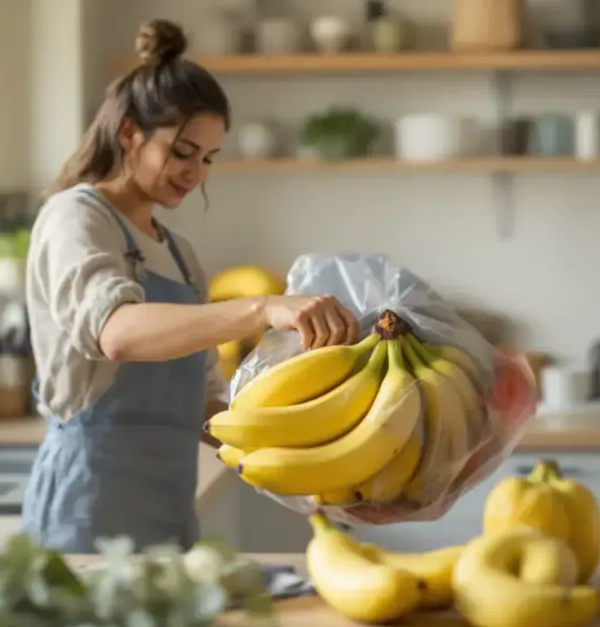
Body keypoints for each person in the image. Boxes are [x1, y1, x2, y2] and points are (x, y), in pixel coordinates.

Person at [21, 19, 359, 554]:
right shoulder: (76, 218)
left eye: (207, 159)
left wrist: (315, 465)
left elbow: (205, 407)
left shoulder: (181, 255)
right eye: (182, 152)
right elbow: (116, 333)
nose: (196, 173)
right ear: (129, 133)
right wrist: (262, 309)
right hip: (86, 513)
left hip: (169, 518)